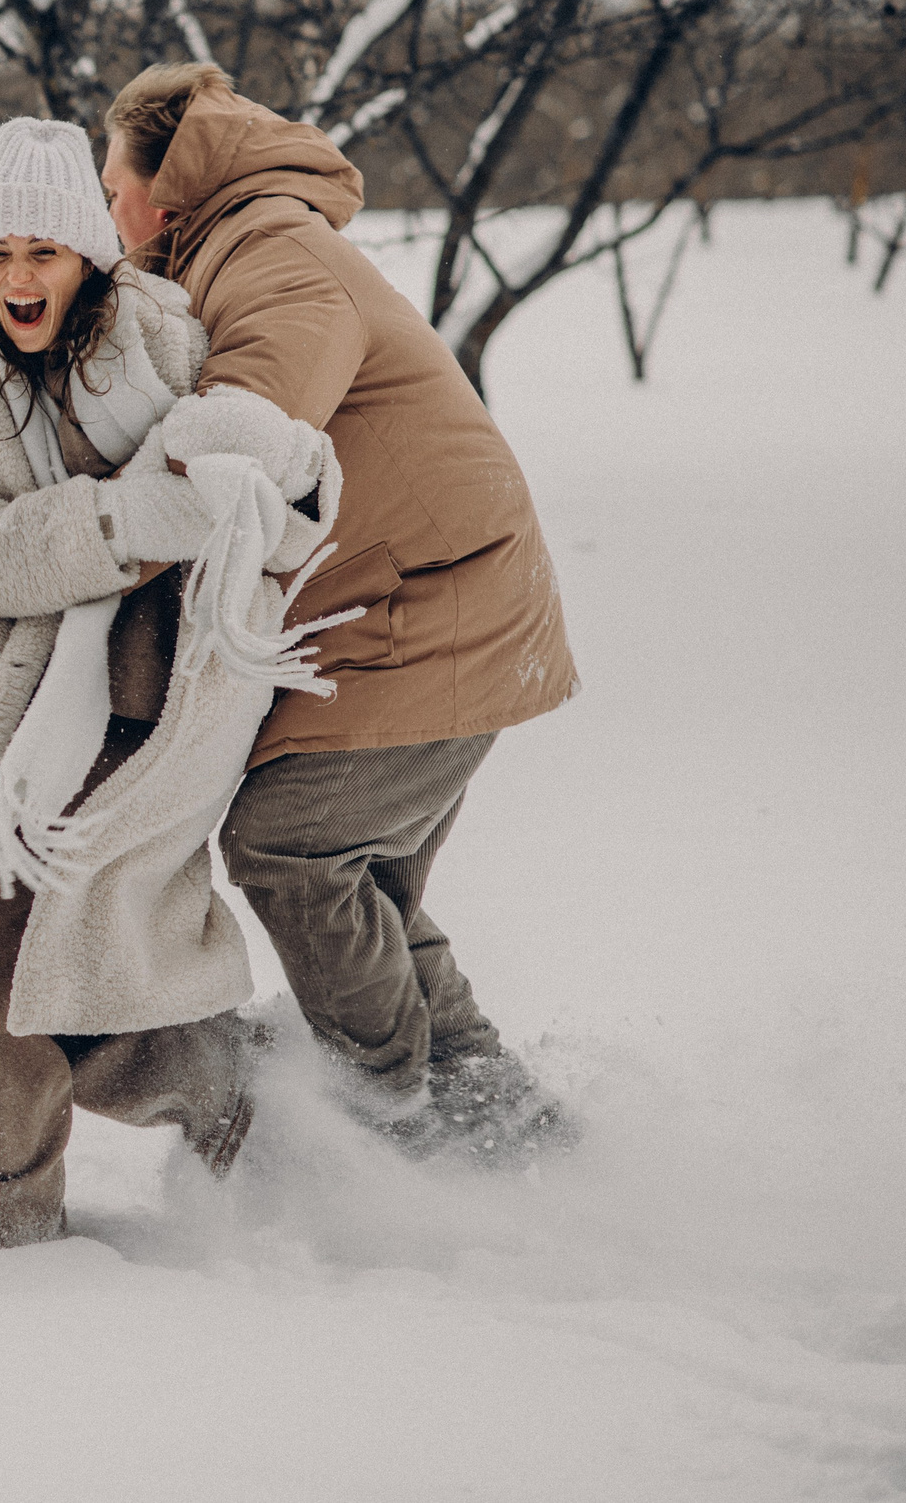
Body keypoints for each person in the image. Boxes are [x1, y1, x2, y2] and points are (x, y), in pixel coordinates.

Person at [0, 119, 359, 1256]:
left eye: (42, 251)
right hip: (17, 721)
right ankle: (235, 1100)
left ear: (89, 256)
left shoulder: (172, 352)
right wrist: (121, 521)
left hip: (154, 716)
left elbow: (284, 494)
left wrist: (254, 473)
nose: (17, 277)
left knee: (18, 971)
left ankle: (3, 1219)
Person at [97, 63, 581, 1162]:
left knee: (292, 851)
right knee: (368, 891)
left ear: (164, 188)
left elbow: (250, 428)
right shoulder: (242, 244)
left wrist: (118, 506)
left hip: (426, 613)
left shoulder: (269, 254)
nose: (107, 212)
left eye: (111, 184)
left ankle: (383, 1123)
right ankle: (505, 1130)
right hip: (421, 605)